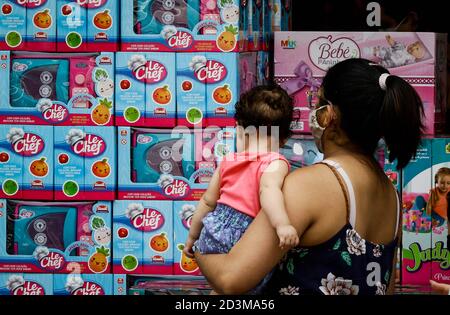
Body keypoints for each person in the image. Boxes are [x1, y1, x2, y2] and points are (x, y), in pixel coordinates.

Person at [194, 58, 425, 295]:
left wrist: (197, 245)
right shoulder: (392, 196)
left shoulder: (310, 185)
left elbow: (229, 278)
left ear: (329, 115)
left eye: (317, 101)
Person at [184, 85, 299, 293]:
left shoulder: (228, 161)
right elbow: (268, 191)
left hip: (212, 234)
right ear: (283, 138)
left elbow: (208, 202)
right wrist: (282, 225)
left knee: (219, 287)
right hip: (244, 237)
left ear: (240, 129)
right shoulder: (275, 161)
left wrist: (193, 237)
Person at [427, 167, 450, 248]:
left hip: (441, 217)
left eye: (448, 183)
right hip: (432, 212)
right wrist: (429, 217)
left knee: (438, 222)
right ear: (437, 181)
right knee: (421, 201)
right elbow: (429, 206)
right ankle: (423, 214)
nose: (445, 186)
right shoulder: (434, 192)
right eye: (442, 183)